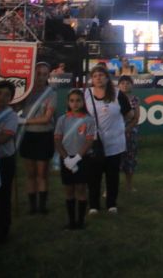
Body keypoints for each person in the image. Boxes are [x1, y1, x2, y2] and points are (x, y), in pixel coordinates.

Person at [84, 65, 134, 214]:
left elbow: (130, 115)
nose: (98, 78)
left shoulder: (118, 94)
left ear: (107, 77)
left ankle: (111, 204)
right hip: (93, 142)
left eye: (101, 75)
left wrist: (119, 127)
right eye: (95, 76)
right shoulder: (86, 94)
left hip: (114, 143)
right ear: (92, 79)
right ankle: (94, 205)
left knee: (112, 175)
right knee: (94, 176)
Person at [17, 62, 56, 215]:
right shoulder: (25, 91)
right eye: (38, 73)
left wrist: (25, 121)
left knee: (42, 173)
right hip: (28, 136)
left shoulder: (51, 93)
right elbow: (16, 107)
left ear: (48, 76)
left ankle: (42, 206)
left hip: (43, 136)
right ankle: (32, 206)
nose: (40, 77)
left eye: (44, 74)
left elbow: (47, 118)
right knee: (30, 173)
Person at [54, 90, 96, 230]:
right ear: (68, 102)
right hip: (66, 159)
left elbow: (89, 141)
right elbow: (57, 141)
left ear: (83, 102)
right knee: (69, 189)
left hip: (82, 159)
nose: (75, 103)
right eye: (72, 100)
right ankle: (71, 221)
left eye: (78, 100)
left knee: (81, 188)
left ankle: (81, 221)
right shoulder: (62, 119)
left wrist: (77, 157)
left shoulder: (89, 120)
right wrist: (66, 158)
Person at [0, 80, 18, 243]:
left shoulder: (11, 116)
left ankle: (2, 232)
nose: (1, 97)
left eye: (6, 95)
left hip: (3, 162)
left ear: (10, 99)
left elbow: (4, 137)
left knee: (2, 197)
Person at [117, 76, 140, 192]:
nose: (125, 85)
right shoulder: (113, 99)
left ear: (132, 85)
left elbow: (136, 118)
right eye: (122, 83)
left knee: (130, 159)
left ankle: (129, 185)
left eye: (127, 83)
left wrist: (126, 130)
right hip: (115, 133)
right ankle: (109, 188)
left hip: (130, 133)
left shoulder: (135, 99)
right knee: (113, 161)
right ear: (118, 85)